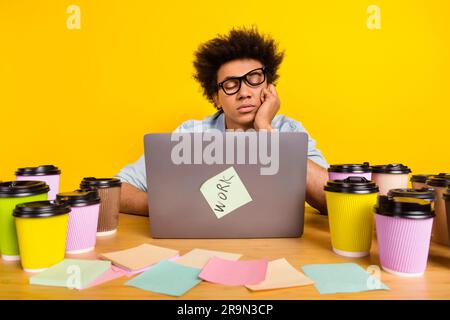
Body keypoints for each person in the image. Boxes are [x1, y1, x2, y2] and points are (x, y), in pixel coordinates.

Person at [115, 27, 329, 216]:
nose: (244, 93)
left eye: (254, 79)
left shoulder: (288, 131)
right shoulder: (190, 135)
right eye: (230, 85)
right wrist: (167, 208)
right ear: (215, 98)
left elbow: (331, 200)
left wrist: (265, 129)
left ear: (270, 86)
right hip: (205, 243)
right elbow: (117, 189)